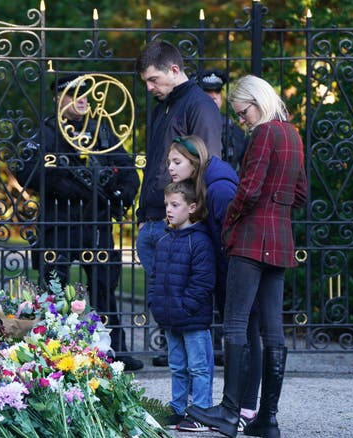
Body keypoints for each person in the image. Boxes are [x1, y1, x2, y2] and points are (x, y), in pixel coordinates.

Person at [186, 75, 308, 438]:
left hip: (252, 238)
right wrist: (277, 204)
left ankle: (228, 412)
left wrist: (230, 222)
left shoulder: (263, 133)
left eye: (243, 113)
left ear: (257, 101)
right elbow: (300, 194)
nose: (242, 121)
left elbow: (249, 188)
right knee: (273, 331)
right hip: (280, 239)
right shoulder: (292, 134)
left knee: (236, 323)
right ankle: (266, 420)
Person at [16, 73, 143, 371]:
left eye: (86, 92)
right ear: (59, 98)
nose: (83, 98)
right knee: (55, 288)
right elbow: (25, 170)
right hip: (59, 223)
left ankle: (115, 350)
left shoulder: (101, 130)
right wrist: (64, 185)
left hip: (96, 223)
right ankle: (55, 350)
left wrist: (120, 196)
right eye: (75, 93)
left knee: (103, 287)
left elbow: (127, 169)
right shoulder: (47, 132)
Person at [135, 40, 223, 367]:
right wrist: (145, 216)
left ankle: (196, 392)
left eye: (153, 79)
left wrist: (186, 220)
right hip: (156, 221)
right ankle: (178, 393)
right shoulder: (164, 104)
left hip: (180, 224)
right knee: (170, 305)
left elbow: (205, 166)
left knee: (189, 309)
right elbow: (158, 163)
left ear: (174, 70)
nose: (148, 87)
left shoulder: (199, 106)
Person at [167, 135, 262, 431]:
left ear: (194, 162)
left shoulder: (218, 188)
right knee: (243, 334)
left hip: (239, 270)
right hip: (228, 271)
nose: (170, 167)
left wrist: (231, 276)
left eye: (177, 162)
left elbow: (234, 235)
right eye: (169, 161)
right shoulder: (203, 183)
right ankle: (240, 408)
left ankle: (247, 408)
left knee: (247, 335)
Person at [145, 180, 215, 432]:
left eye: (175, 204)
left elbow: (203, 281)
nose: (169, 210)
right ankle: (177, 408)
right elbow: (155, 277)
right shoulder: (164, 240)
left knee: (198, 367)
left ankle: (202, 411)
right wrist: (156, 303)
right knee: (177, 366)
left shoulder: (199, 241)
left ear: (192, 207)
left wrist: (185, 307)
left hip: (192, 319)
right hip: (170, 318)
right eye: (167, 205)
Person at [198, 70, 249, 171]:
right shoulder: (192, 124)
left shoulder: (236, 131)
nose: (214, 96)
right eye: (208, 91)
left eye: (217, 91)